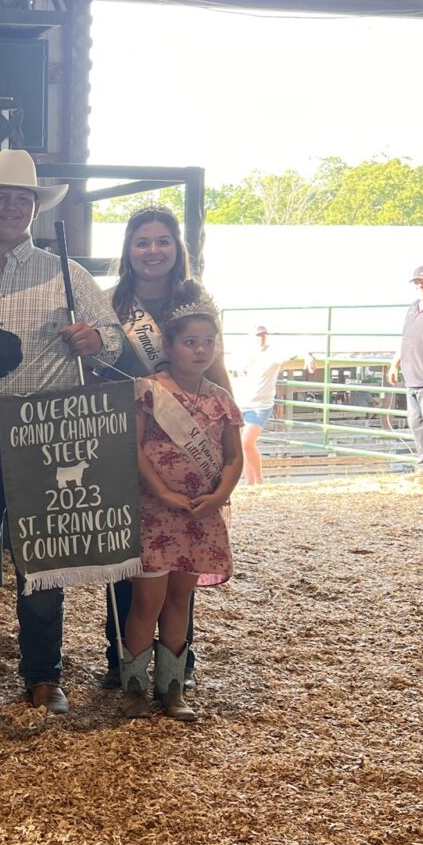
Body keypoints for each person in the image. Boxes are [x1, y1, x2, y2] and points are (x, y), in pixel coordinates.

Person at [0, 149, 123, 712]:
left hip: (44, 434)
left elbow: (109, 334)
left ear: (34, 209)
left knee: (42, 559)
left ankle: (43, 675)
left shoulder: (68, 274)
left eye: (22, 199)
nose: (11, 207)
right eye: (1, 197)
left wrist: (93, 339)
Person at [101, 207, 231, 688]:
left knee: (182, 560)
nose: (152, 251)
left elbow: (215, 366)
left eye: (162, 241)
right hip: (130, 440)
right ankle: (124, 660)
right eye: (142, 241)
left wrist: (223, 429)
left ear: (178, 249)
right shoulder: (112, 303)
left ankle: (178, 667)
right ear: (128, 251)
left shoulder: (194, 298)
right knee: (129, 555)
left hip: (185, 446)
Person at [119, 293, 243, 724]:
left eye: (209, 342)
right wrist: (163, 493)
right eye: (191, 342)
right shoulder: (150, 393)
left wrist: (220, 496)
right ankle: (132, 687)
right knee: (146, 601)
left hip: (200, 516)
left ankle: (170, 687)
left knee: (180, 600)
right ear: (170, 346)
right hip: (156, 513)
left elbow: (233, 456)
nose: (201, 350)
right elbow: (133, 450)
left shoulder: (222, 399)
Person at [232, 324, 313, 486]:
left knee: (247, 442)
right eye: (258, 335)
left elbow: (296, 350)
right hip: (242, 403)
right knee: (242, 446)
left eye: (263, 335)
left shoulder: (273, 353)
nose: (261, 338)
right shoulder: (242, 355)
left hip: (260, 405)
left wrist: (308, 356)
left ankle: (260, 480)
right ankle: (250, 483)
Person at [390, 263, 423, 488]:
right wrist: (394, 364)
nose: (422, 286)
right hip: (412, 377)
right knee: (415, 423)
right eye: (418, 282)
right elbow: (405, 339)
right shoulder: (413, 308)